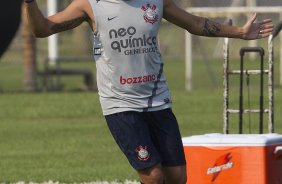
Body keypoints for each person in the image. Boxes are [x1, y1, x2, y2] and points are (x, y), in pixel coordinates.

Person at [23, 0, 273, 183]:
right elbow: (42, 28)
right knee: (153, 177)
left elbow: (195, 24)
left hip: (158, 101)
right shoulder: (90, 5)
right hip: (120, 105)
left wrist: (240, 32)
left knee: (177, 177)